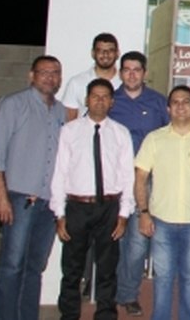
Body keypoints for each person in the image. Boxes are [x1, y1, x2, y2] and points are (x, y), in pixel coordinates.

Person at [51, 78, 135, 320]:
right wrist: (60, 213)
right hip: (77, 206)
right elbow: (60, 173)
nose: (99, 101)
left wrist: (123, 214)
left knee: (107, 269)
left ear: (112, 102)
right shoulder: (69, 131)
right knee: (72, 269)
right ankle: (68, 315)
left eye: (105, 96)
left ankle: (106, 315)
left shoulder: (120, 133)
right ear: (86, 100)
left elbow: (127, 176)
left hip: (109, 207)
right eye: (95, 96)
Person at [0, 55, 65, 320]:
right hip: (19, 199)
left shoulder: (60, 111)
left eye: (55, 72)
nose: (49, 77)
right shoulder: (13, 104)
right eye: (43, 72)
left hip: (47, 203)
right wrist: (1, 197)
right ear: (31, 76)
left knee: (34, 267)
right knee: (12, 264)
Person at [133, 85, 190, 320]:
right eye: (176, 102)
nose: (181, 106)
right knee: (163, 278)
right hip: (161, 221)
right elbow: (140, 178)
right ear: (168, 109)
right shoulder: (154, 139)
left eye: (186, 102)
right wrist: (143, 212)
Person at [107, 51, 170, 317]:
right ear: (120, 72)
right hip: (113, 179)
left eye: (137, 70)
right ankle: (107, 293)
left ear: (144, 73)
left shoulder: (157, 102)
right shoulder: (108, 100)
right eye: (127, 69)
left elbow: (170, 137)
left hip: (146, 181)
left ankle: (127, 294)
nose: (132, 74)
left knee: (137, 242)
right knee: (111, 240)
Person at [62, 32, 121, 121]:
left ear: (117, 53)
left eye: (110, 50)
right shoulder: (76, 82)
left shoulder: (124, 83)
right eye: (100, 50)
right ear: (93, 53)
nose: (105, 54)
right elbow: (68, 121)